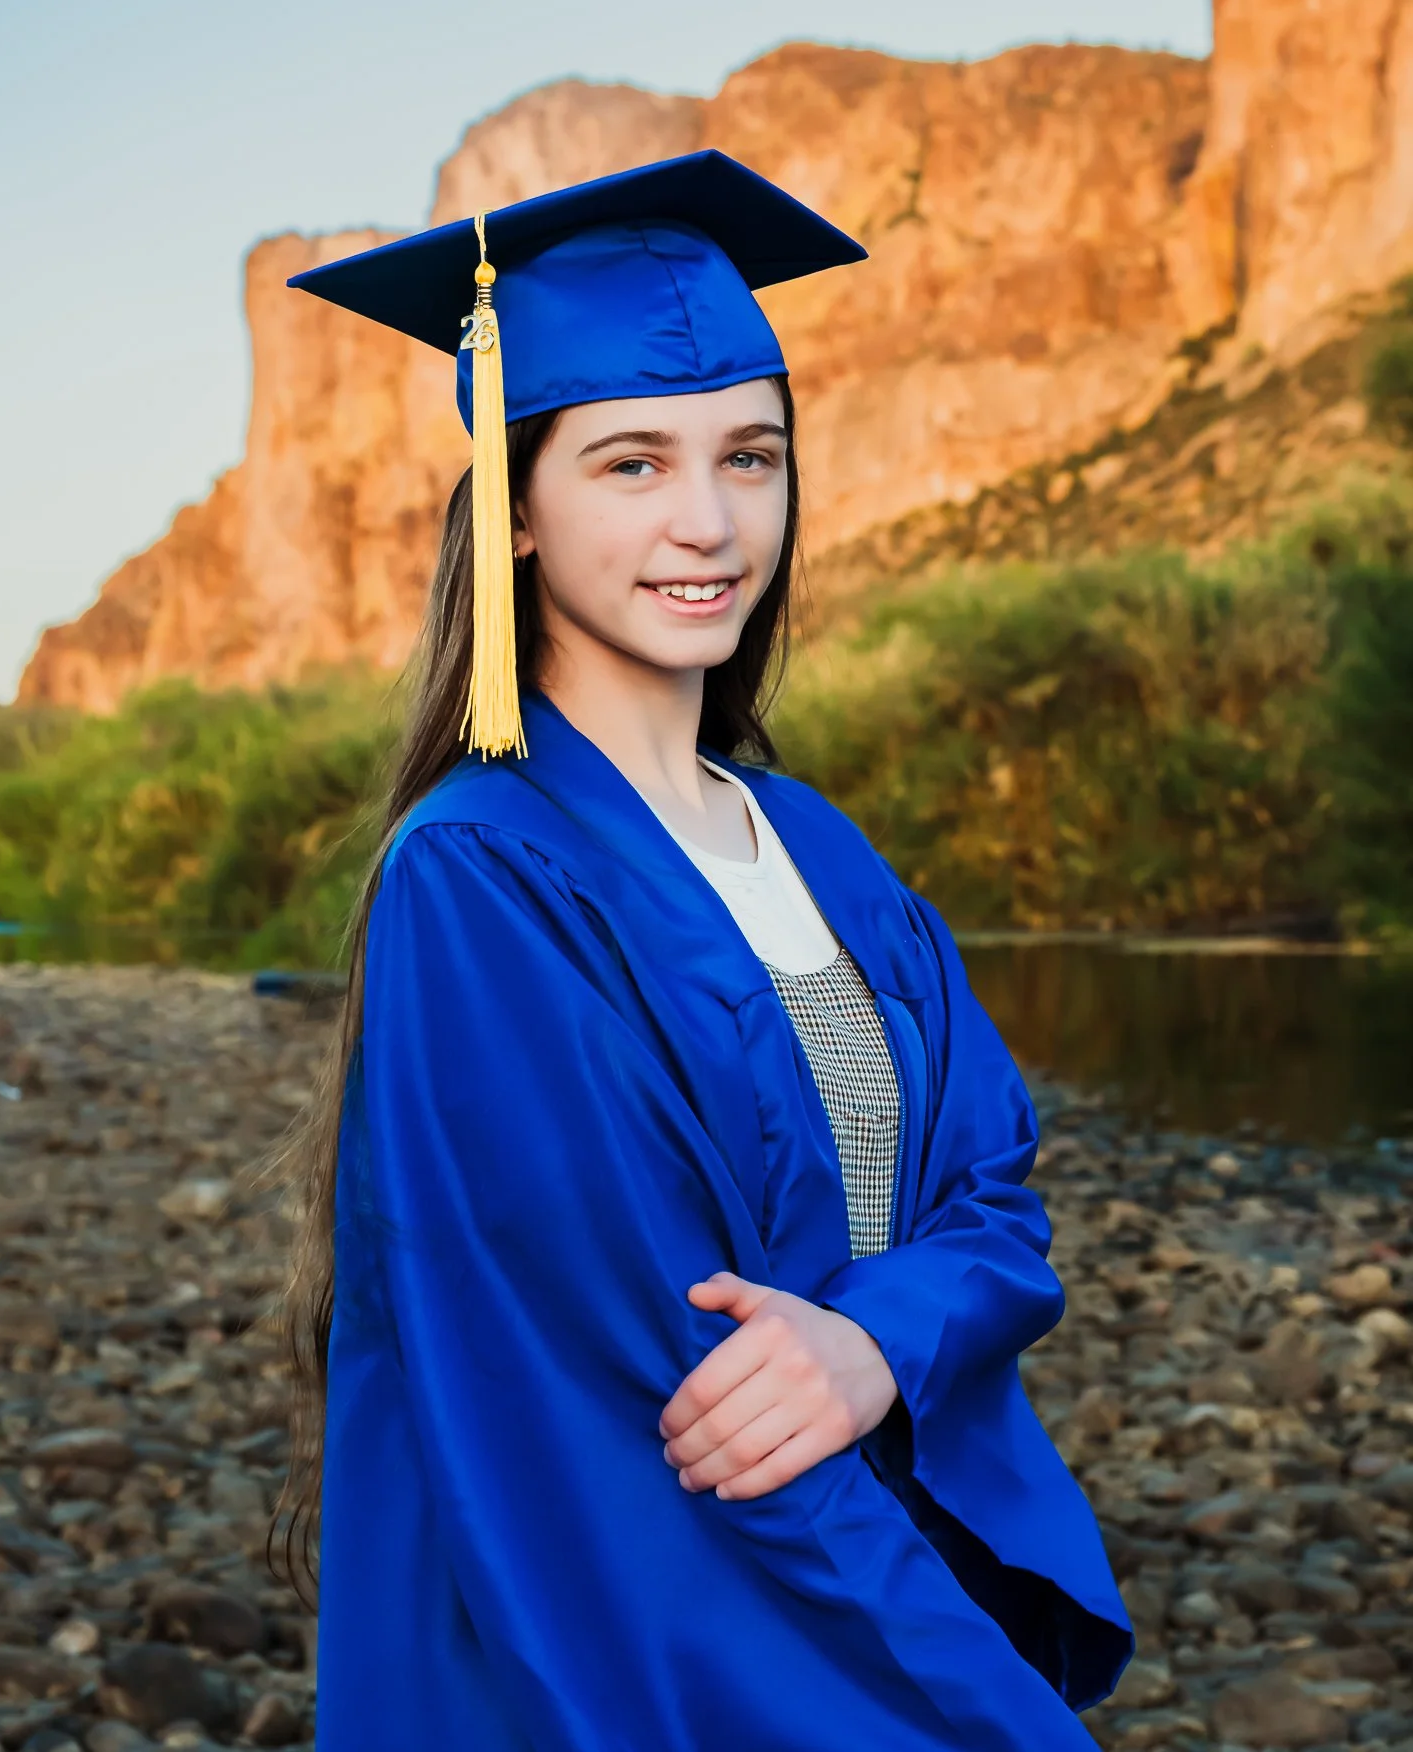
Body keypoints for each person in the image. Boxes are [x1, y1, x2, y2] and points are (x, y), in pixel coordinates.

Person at [275, 152, 1133, 1750]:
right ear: (513, 511)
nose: (706, 519)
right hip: (680, 1629)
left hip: (873, 1554)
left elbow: (993, 1200)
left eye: (752, 456)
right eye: (627, 464)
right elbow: (655, 1396)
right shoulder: (479, 877)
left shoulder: (818, 846)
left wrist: (880, 1340)